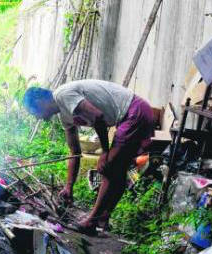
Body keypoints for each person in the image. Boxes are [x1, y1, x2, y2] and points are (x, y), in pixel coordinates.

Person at [23, 79, 154, 234]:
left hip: (134, 112)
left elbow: (98, 117)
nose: (38, 118)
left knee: (107, 166)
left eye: (34, 112)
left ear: (39, 101)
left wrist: (105, 152)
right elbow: (75, 151)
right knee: (118, 170)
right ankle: (103, 218)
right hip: (134, 113)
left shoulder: (63, 95)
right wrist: (69, 186)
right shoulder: (64, 116)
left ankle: (91, 221)